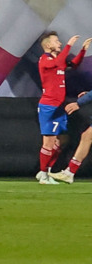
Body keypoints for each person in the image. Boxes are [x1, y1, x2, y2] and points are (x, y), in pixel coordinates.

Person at [35, 30, 87, 185]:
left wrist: (83, 49)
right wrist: (69, 45)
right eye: (57, 41)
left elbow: (74, 64)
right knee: (49, 142)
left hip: (59, 106)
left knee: (61, 141)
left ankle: (47, 170)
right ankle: (43, 174)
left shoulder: (58, 60)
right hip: (49, 106)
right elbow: (58, 63)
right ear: (48, 44)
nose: (60, 43)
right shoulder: (45, 60)